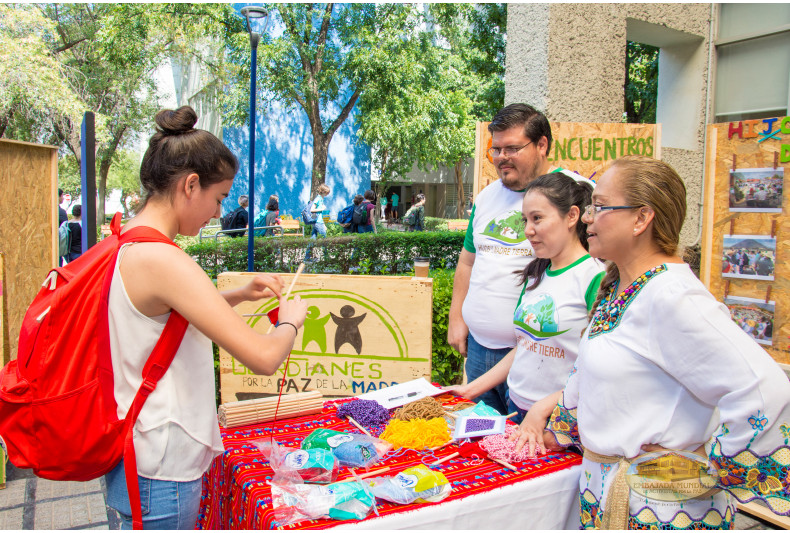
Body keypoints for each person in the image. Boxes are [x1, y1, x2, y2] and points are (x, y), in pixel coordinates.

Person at [519, 155, 790, 529]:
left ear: (641, 219)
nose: (586, 218)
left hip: (661, 511)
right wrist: (556, 429)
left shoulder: (672, 296)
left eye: (600, 207)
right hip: (611, 496)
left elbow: (765, 390)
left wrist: (710, 461)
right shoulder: (621, 288)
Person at [102, 106, 308, 529]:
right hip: (161, 466)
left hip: (135, 453)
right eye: (218, 198)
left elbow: (167, 316)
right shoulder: (164, 258)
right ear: (190, 185)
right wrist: (289, 320)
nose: (218, 213)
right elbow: (264, 359)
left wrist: (235, 295)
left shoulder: (127, 240)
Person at [446, 103, 594, 415]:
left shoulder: (575, 193)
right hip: (480, 348)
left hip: (540, 355)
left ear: (542, 145)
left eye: (512, 148)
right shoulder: (487, 196)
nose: (501, 158)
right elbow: (468, 261)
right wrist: (457, 317)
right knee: (486, 443)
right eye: (496, 149)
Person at [305, 183, 331, 262]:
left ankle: (307, 256)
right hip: (317, 222)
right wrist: (321, 209)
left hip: (318, 221)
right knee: (324, 238)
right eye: (326, 192)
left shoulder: (320, 199)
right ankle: (326, 256)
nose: (327, 194)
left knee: (313, 238)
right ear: (323, 192)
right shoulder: (318, 199)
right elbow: (312, 210)